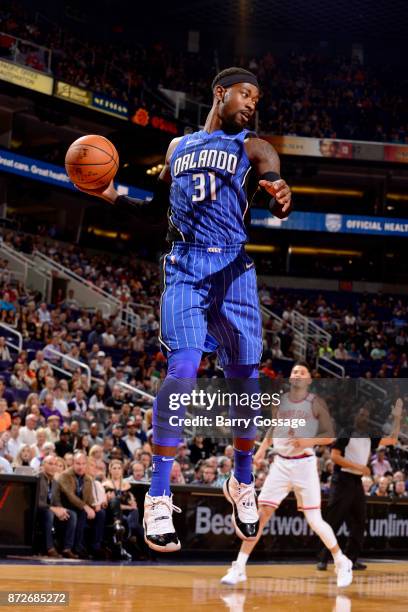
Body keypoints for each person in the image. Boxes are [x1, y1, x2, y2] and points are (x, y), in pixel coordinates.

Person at [77, 66, 292, 552]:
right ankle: (156, 495)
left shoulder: (254, 147)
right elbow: (158, 210)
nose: (253, 102)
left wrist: (281, 196)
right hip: (185, 267)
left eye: (257, 96)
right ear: (221, 93)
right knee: (184, 367)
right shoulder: (178, 148)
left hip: (234, 269)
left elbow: (278, 192)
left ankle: (241, 479)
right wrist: (110, 193)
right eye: (245, 93)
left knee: (245, 382)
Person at [221, 362, 353, 589]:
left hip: (305, 464)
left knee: (314, 520)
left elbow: (330, 436)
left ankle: (341, 560)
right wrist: (262, 449)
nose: (297, 375)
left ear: (309, 380)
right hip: (280, 463)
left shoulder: (316, 403)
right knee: (261, 515)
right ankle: (239, 566)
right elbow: (274, 427)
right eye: (294, 372)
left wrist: (307, 441)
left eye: (302, 372)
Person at [317, 398, 402, 571]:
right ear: (356, 416)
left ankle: (350, 560)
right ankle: (323, 559)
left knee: (359, 523)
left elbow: (393, 440)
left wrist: (397, 418)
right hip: (341, 480)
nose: (363, 417)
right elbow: (334, 456)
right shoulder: (346, 432)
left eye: (366, 415)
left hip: (356, 483)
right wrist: (359, 467)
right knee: (334, 521)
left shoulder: (371, 435)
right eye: (361, 414)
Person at [57, 451, 106, 558]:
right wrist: (86, 507)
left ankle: (95, 547)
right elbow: (70, 496)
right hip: (67, 506)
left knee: (101, 513)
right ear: (73, 463)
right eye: (78, 464)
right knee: (82, 512)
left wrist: (94, 507)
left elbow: (89, 499)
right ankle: (76, 547)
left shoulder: (87, 479)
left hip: (81, 507)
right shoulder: (65, 476)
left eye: (83, 464)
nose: (81, 466)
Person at [36, 455, 77, 558]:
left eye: (55, 464)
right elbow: (36, 501)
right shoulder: (37, 478)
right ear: (43, 465)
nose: (53, 467)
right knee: (49, 513)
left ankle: (67, 548)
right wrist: (53, 508)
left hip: (50, 510)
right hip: (37, 511)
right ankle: (49, 547)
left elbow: (56, 501)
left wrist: (61, 509)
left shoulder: (55, 482)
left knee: (71, 514)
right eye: (50, 464)